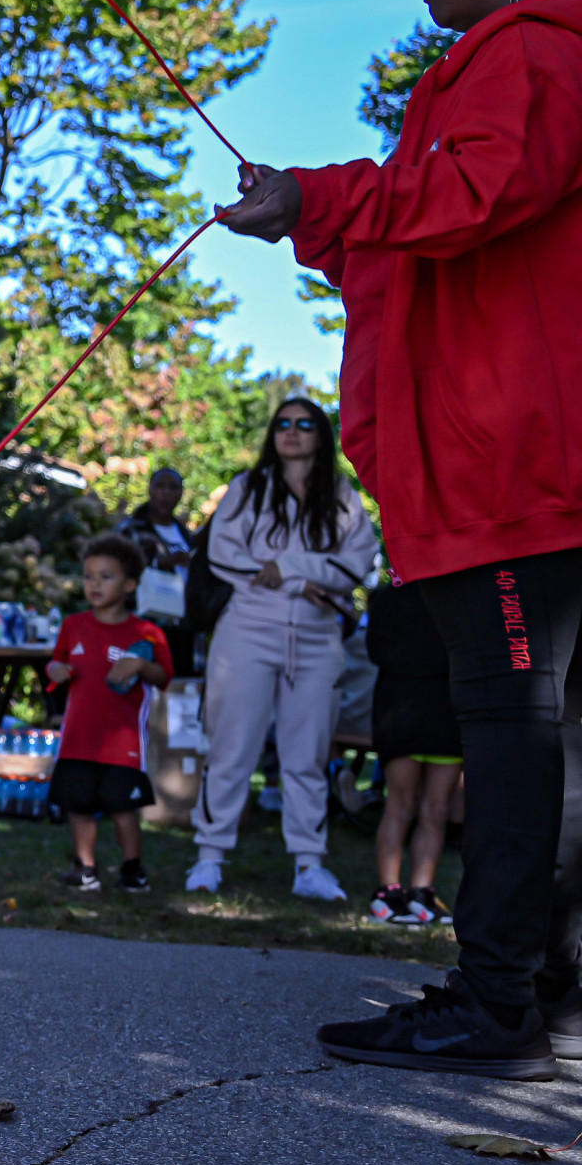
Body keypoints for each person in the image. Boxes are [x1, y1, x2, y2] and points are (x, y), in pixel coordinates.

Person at [220, 0, 582, 1077]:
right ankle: (534, 986)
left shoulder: (531, 48)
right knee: (549, 730)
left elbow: (470, 196)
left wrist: (314, 195)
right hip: (528, 454)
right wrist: (321, 219)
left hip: (514, 462)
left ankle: (493, 1008)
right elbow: (448, 245)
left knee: (515, 727)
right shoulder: (529, 61)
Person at [186, 397, 377, 901]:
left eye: (304, 424)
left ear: (320, 435)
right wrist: (300, 573)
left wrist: (291, 567)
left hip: (317, 634)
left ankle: (309, 865)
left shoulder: (339, 495)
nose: (292, 432)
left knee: (308, 753)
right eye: (284, 424)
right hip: (248, 626)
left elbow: (357, 560)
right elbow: (224, 551)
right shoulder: (249, 489)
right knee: (232, 745)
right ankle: (209, 856)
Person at [46, 536, 173, 894]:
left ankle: (132, 868)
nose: (95, 584)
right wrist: (56, 669)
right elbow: (58, 660)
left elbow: (164, 677)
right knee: (79, 806)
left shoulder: (146, 632)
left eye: (106, 576)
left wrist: (140, 666)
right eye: (89, 577)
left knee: (122, 807)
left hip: (123, 743)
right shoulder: (74, 625)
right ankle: (85, 867)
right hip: (78, 740)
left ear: (130, 584)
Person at [364, 579, 461, 928]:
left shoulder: (457, 591)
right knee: (401, 804)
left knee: (436, 807)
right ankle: (388, 893)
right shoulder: (393, 595)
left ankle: (421, 893)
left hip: (443, 713)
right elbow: (377, 647)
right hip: (402, 709)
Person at [120, 467, 199, 677]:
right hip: (146, 624)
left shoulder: (184, 533)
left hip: (182, 624)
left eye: (173, 488)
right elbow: (118, 568)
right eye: (160, 486)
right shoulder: (131, 528)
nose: (166, 493)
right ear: (150, 490)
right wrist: (161, 562)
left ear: (181, 493)